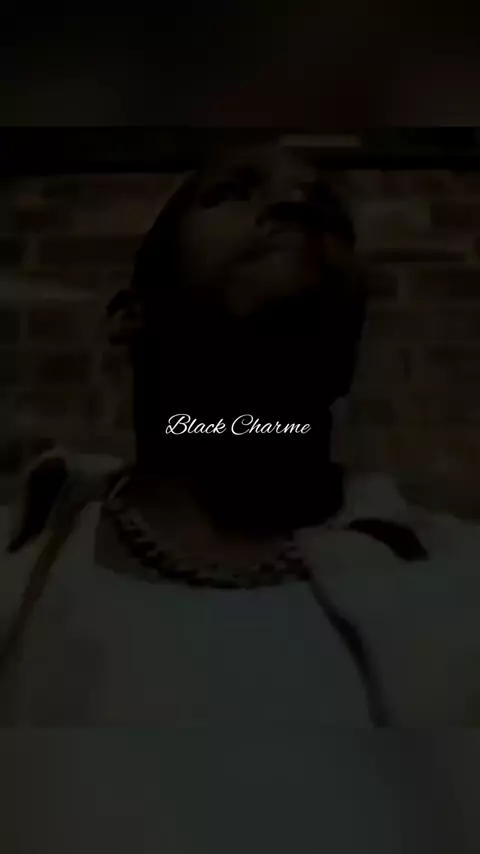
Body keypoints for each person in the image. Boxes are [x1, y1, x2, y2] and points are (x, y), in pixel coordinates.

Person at [1, 137, 480, 852]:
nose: (294, 204)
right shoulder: (18, 575)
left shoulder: (463, 583)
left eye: (327, 213)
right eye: (233, 193)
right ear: (130, 313)